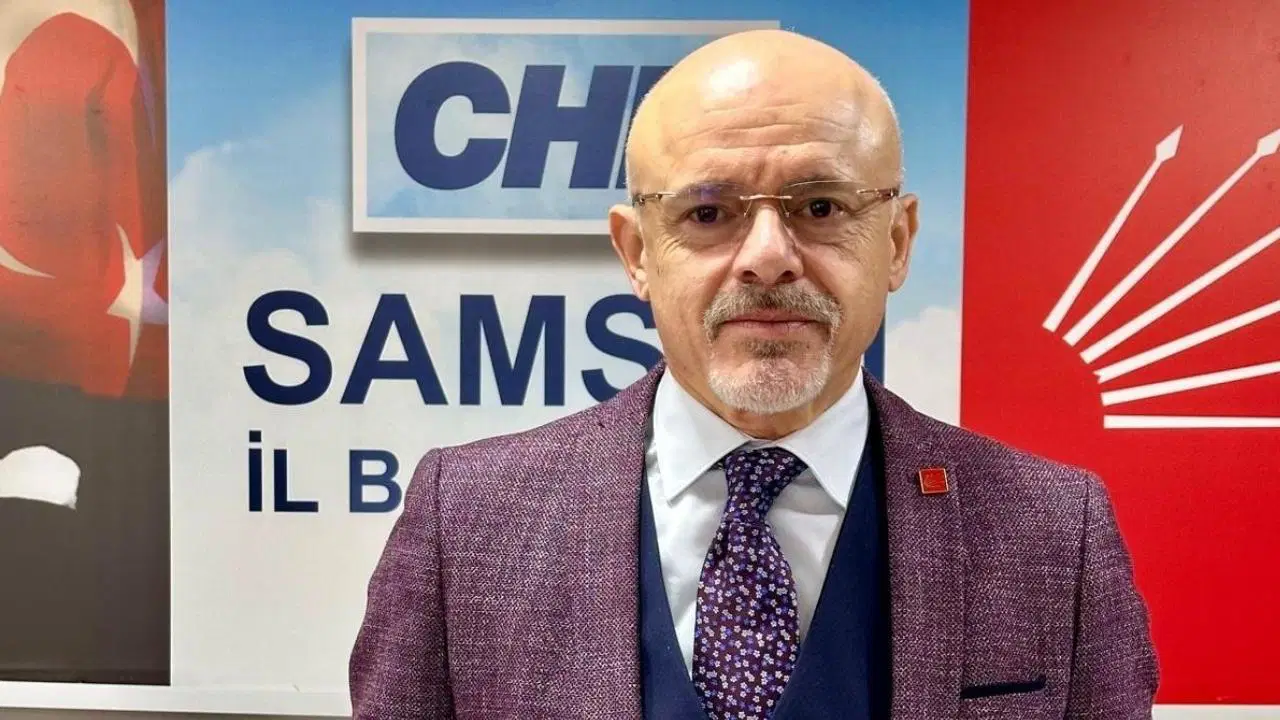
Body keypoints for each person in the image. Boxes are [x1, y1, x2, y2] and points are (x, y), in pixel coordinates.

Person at [349, 29, 1158, 719]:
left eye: (820, 207)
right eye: (708, 212)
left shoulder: (1056, 535)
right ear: (637, 252)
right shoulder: (468, 523)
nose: (768, 257)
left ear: (897, 242)